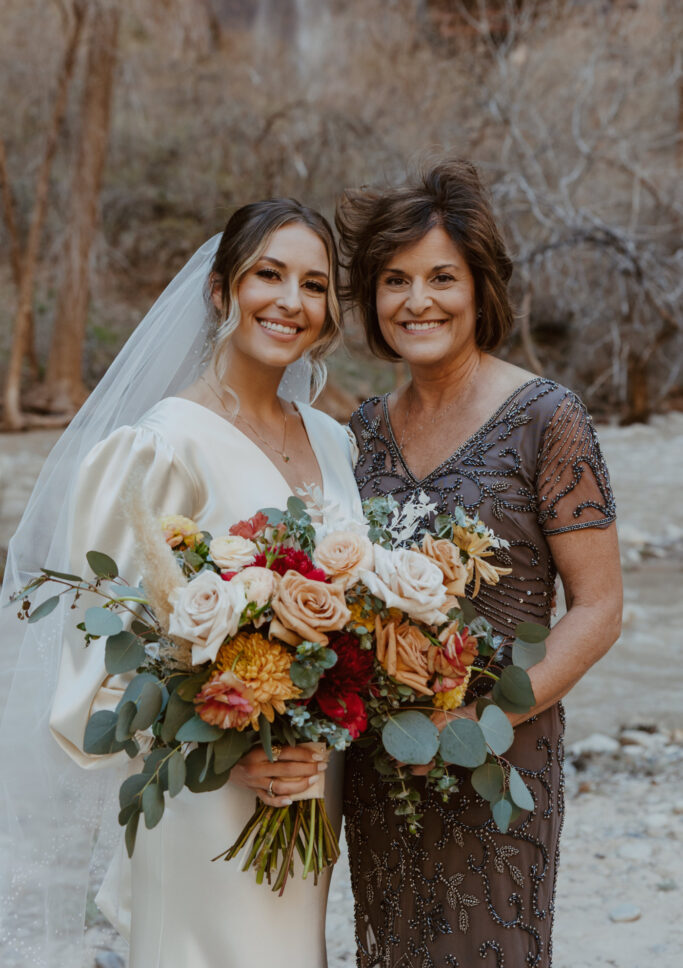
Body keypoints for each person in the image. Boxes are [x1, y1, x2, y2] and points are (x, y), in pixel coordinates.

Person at [0, 199, 362, 968]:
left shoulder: (335, 441)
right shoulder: (159, 446)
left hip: (308, 787)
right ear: (220, 289)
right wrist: (235, 747)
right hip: (207, 791)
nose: (290, 302)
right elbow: (96, 651)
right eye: (269, 274)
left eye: (314, 284)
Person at [336, 160, 622, 968]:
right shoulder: (357, 432)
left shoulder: (546, 419)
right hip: (383, 759)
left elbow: (598, 608)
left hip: (498, 750)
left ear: (479, 287)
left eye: (440, 277)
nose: (415, 300)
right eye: (394, 279)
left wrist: (479, 720)